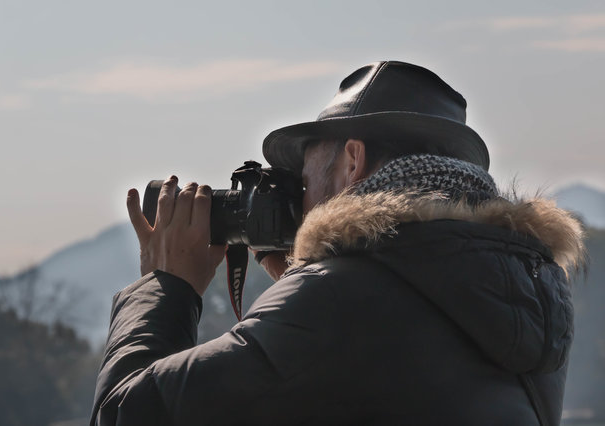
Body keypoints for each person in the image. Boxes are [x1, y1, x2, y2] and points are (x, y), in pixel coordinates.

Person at [90, 61, 585, 425]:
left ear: (352, 161)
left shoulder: (333, 301)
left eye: (304, 179)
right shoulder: (527, 291)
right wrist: (305, 276)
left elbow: (124, 413)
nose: (300, 201)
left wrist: (167, 285)